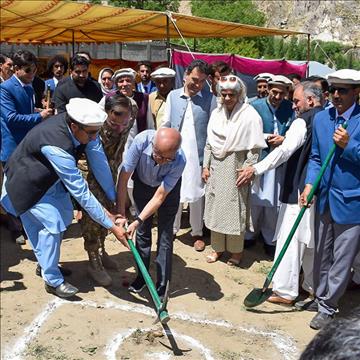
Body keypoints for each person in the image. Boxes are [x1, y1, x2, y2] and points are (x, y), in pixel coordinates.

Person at [1, 98, 129, 298]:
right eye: (92, 133)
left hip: (48, 181)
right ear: (73, 126)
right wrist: (111, 225)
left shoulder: (84, 128)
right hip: (25, 183)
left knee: (62, 217)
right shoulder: (57, 146)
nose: (95, 137)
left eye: (97, 131)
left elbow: (99, 161)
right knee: (49, 224)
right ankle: (52, 280)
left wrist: (112, 199)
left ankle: (45, 265)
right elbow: (81, 191)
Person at [238, 81, 324, 304]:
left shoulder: (301, 122)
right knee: (309, 241)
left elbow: (285, 151)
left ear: (311, 100)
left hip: (299, 190)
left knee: (291, 238)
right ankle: (312, 286)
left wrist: (256, 169)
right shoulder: (325, 118)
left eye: (296, 101)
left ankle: (285, 291)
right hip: (315, 190)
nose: (293, 106)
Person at [300, 69, 360, 330]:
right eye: (332, 90)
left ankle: (328, 306)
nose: (336, 95)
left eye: (343, 90)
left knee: (342, 258)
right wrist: (309, 184)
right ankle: (321, 295)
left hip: (352, 202)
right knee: (321, 253)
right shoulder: (323, 119)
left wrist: (350, 147)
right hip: (324, 198)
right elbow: (315, 157)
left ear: (357, 92)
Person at [202, 75, 266, 265]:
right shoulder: (216, 114)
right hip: (216, 169)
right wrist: (205, 166)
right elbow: (209, 144)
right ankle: (217, 249)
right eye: (225, 94)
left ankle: (236, 253)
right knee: (214, 209)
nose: (228, 98)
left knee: (235, 210)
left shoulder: (250, 115)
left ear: (239, 94)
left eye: (232, 94)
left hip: (236, 171)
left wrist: (248, 169)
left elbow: (254, 148)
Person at [117, 128, 186, 299]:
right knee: (142, 233)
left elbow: (160, 196)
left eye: (165, 158)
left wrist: (138, 219)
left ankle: (162, 286)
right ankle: (142, 277)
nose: (160, 160)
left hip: (167, 192)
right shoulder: (141, 141)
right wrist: (121, 213)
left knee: (165, 236)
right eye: (157, 155)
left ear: (174, 153)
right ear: (153, 145)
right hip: (142, 184)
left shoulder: (179, 160)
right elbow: (124, 177)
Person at [81, 93, 134, 286]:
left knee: (110, 212)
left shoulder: (131, 111)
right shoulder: (93, 126)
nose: (120, 128)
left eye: (123, 123)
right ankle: (93, 259)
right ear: (106, 114)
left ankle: (102, 251)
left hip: (112, 170)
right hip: (90, 172)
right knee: (93, 216)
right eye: (114, 124)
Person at [163, 59, 213, 252]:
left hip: (198, 155)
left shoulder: (210, 99)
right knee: (173, 188)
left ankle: (197, 232)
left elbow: (213, 130)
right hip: (175, 153)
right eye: (194, 79)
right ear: (185, 75)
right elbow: (166, 123)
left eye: (201, 81)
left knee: (197, 192)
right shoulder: (173, 96)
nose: (197, 84)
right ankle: (173, 228)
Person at [245, 75, 294, 257]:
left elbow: (294, 131)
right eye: (274, 92)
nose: (277, 97)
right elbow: (248, 131)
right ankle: (249, 234)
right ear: (269, 89)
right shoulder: (254, 106)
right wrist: (267, 138)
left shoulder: (290, 108)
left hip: (279, 162)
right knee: (255, 198)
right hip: (259, 158)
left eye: (282, 94)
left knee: (274, 203)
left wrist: (284, 139)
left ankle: (269, 239)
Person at [0, 50, 53, 163]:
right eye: (28, 70)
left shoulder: (28, 85)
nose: (32, 74)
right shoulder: (5, 88)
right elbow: (11, 118)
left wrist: (36, 110)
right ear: (16, 69)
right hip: (13, 149)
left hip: (27, 147)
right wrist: (39, 116)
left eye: (34, 70)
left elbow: (23, 109)